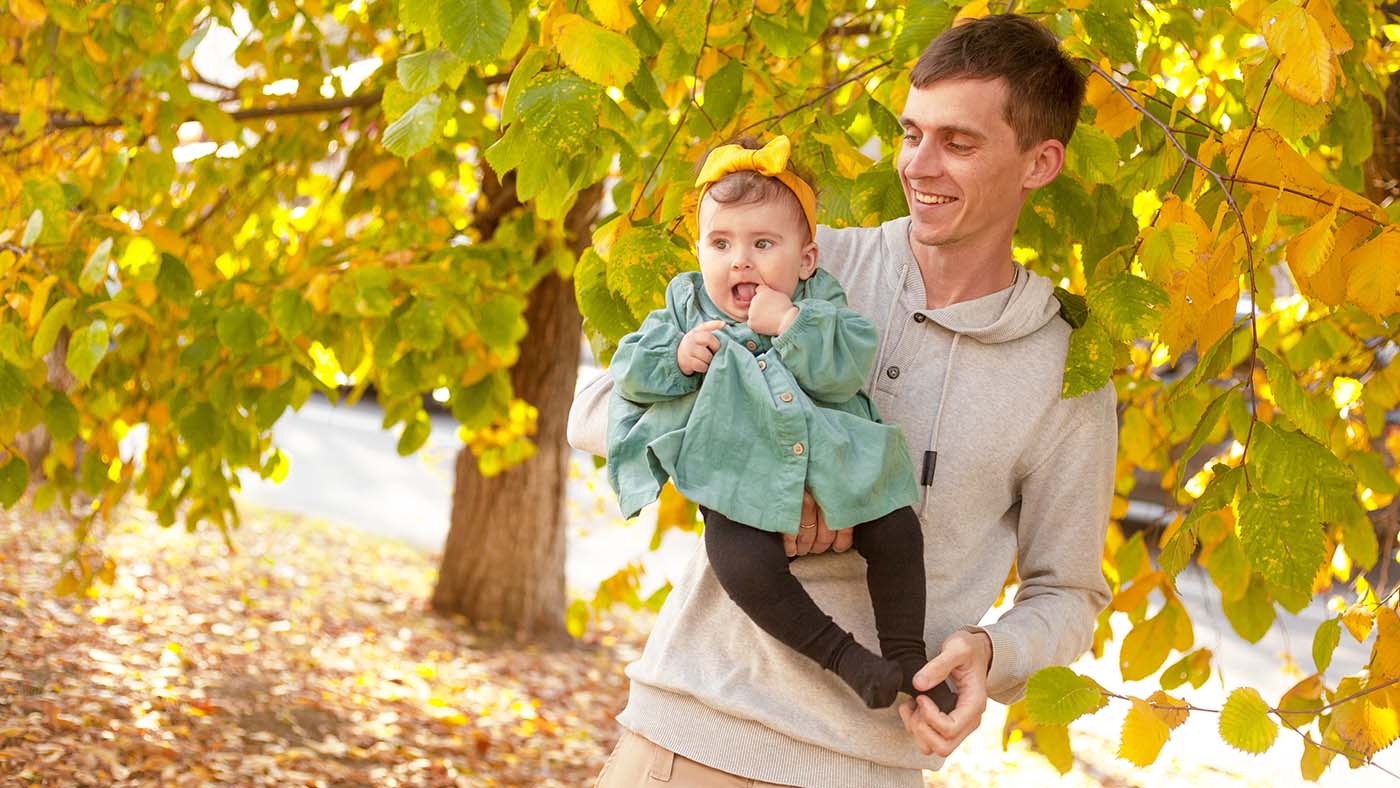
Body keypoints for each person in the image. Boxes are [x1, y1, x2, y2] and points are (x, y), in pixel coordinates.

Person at [577, 13, 1117, 787]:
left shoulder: (1065, 368)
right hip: (687, 739)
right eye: (910, 134)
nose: (919, 165)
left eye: (958, 143)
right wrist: (762, 465)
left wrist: (993, 651)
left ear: (1039, 163)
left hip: (868, 765)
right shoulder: (794, 259)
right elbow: (593, 406)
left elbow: (1068, 593)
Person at [606, 134, 959, 712]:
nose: (739, 260)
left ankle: (910, 657)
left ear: (806, 259)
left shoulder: (821, 303)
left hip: (835, 463)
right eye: (720, 243)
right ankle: (845, 657)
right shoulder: (685, 307)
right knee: (738, 560)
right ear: (698, 253)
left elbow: (847, 368)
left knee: (897, 529)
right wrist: (675, 358)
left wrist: (791, 323)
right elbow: (627, 371)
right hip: (739, 478)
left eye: (762, 243)